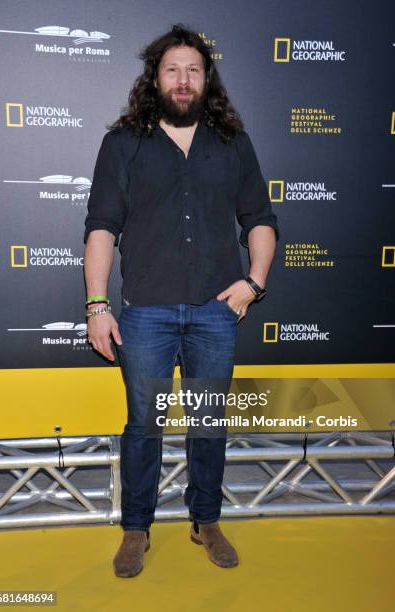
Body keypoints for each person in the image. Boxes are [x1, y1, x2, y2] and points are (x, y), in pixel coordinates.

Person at [83, 23, 279, 578]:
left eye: (193, 69)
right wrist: (98, 306)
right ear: (156, 77)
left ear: (206, 78)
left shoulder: (231, 143)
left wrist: (254, 282)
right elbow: (101, 228)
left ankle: (206, 520)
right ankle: (136, 529)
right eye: (173, 69)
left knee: (208, 420)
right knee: (144, 424)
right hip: (146, 314)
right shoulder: (124, 143)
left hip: (217, 313)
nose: (184, 79)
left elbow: (260, 220)